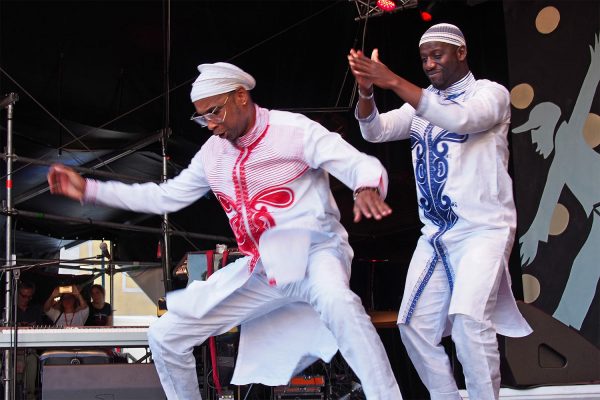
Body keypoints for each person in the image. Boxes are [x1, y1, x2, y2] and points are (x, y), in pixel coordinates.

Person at [47, 62, 403, 399]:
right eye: (201, 116)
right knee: (165, 335)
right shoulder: (212, 154)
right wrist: (91, 189)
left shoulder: (293, 131)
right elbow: (165, 196)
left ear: (241, 96)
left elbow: (356, 162)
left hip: (316, 254)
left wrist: (366, 186)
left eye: (214, 111)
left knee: (340, 303)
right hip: (265, 269)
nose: (210, 123)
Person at [348, 23, 532, 400]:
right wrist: (367, 91)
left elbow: (461, 120)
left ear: (461, 53)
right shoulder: (420, 104)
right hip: (435, 236)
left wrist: (393, 80)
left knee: (468, 322)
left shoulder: (489, 94)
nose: (430, 64)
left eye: (438, 55)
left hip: (484, 230)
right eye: (424, 58)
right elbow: (375, 130)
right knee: (412, 326)